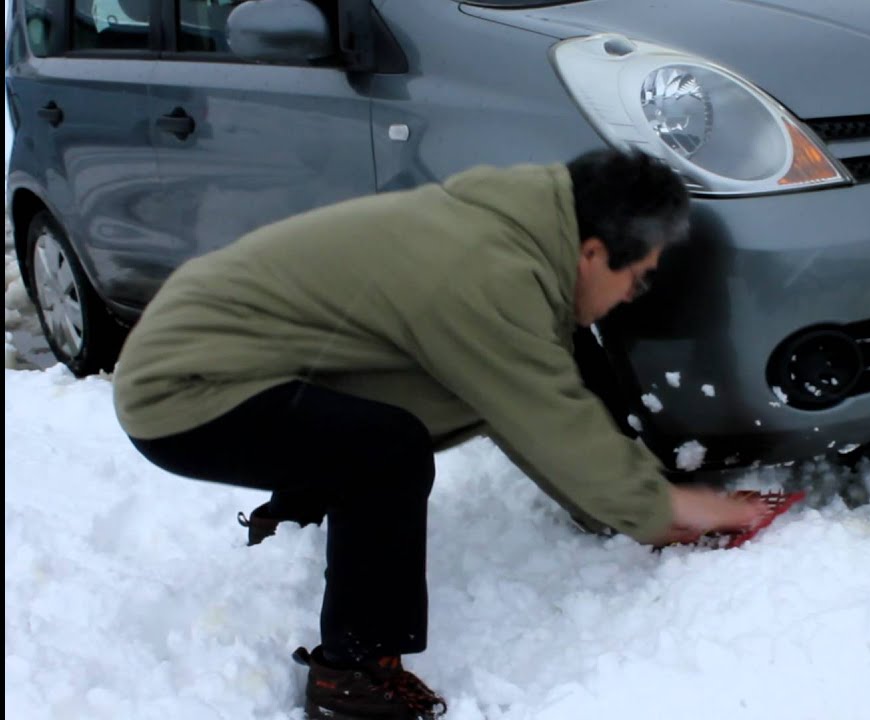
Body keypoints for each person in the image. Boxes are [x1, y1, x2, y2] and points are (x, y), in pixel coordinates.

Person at [112, 148, 768, 720]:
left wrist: (619, 505)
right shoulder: (488, 271)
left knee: (446, 394)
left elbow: (527, 406)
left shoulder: (514, 235)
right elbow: (541, 406)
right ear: (594, 253)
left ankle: (302, 506)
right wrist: (661, 510)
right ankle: (353, 677)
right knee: (386, 452)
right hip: (185, 390)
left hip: (257, 365)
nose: (635, 293)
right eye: (638, 275)